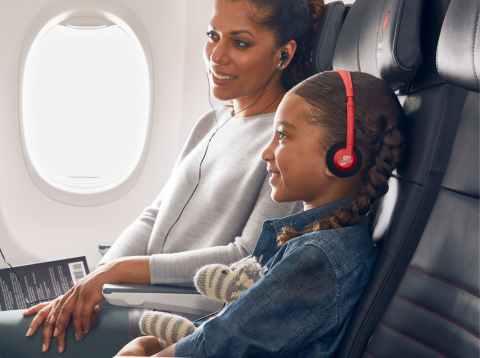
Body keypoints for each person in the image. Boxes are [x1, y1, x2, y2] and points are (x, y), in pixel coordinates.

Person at [0, 0, 323, 358]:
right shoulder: (212, 121)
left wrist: (117, 274)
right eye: (213, 35)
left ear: (283, 54)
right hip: (136, 290)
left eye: (240, 43)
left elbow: (247, 258)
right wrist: (97, 279)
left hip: (183, 312)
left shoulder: (283, 142)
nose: (217, 55)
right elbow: (154, 216)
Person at [116, 70, 405, 357]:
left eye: (283, 136)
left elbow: (216, 347)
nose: (267, 152)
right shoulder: (317, 244)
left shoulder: (317, 259)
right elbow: (227, 329)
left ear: (342, 158)